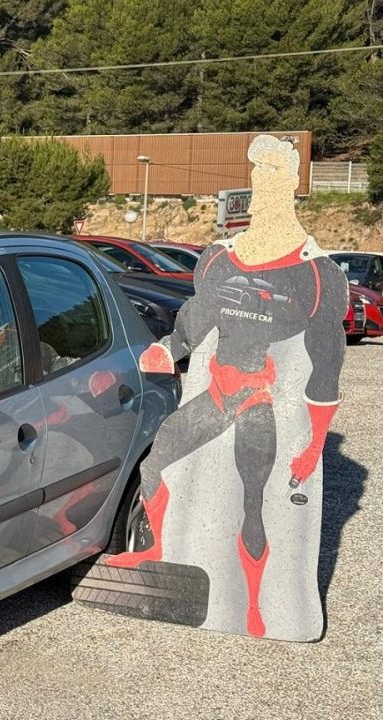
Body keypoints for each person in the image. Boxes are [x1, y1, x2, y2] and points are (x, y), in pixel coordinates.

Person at [106, 135, 347, 640]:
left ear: (292, 182)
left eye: (273, 173)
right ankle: (156, 551)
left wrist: (313, 446)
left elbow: (326, 367)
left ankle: (258, 608)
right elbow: (195, 319)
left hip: (260, 403)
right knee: (156, 462)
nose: (262, 182)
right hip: (216, 395)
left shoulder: (318, 274)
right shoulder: (219, 257)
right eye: (257, 172)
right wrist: (168, 349)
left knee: (252, 503)